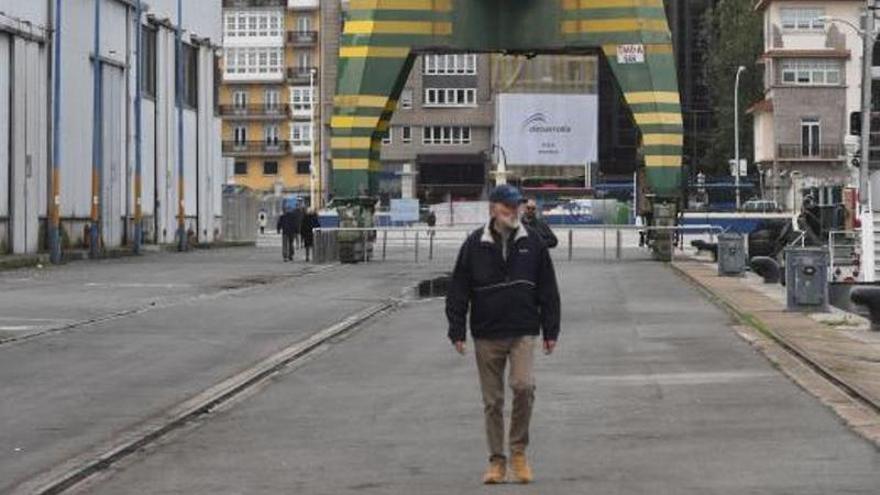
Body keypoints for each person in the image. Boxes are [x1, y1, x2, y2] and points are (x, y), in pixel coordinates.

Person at [446, 184, 561, 485]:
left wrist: (551, 330)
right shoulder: (474, 244)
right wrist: (456, 329)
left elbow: (548, 289)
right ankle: (497, 461)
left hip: (523, 329)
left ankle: (518, 453)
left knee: (524, 387)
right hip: (487, 332)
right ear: (493, 209)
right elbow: (458, 288)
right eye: (508, 206)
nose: (514, 211)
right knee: (492, 401)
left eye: (517, 206)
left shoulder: (533, 242)